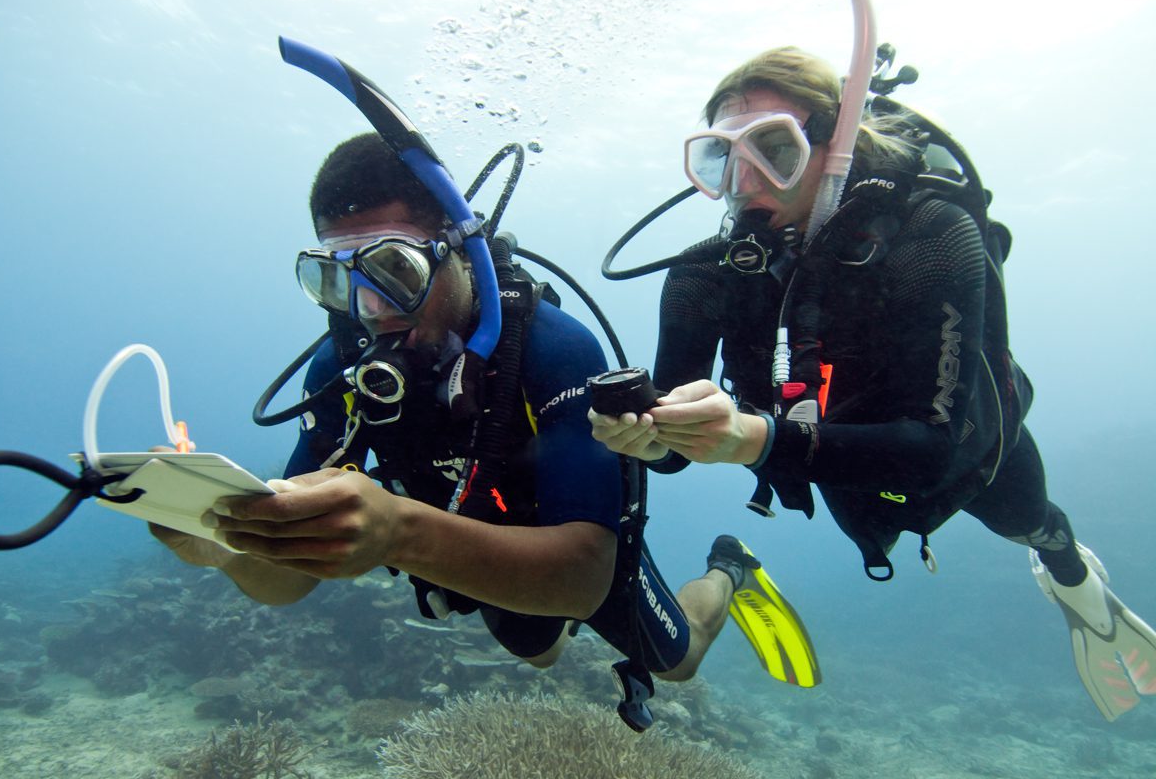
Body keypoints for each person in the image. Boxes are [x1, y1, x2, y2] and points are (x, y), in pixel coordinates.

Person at [148, 132, 817, 728]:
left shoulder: (554, 348)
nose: (371, 309)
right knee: (541, 650)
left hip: (571, 543)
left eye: (394, 271)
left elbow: (584, 575)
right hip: (473, 548)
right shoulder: (343, 367)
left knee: (679, 659)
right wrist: (226, 545)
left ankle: (730, 567)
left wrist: (398, 529)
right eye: (336, 279)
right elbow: (288, 579)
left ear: (461, 251)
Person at [590, 46, 1156, 721]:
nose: (746, 182)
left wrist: (751, 438)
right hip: (835, 462)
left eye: (774, 148)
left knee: (1030, 521)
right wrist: (650, 439)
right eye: (722, 157)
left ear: (834, 145)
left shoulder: (932, 236)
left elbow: (932, 450)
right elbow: (678, 448)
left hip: (971, 449)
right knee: (874, 520)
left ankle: (1077, 584)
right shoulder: (704, 273)